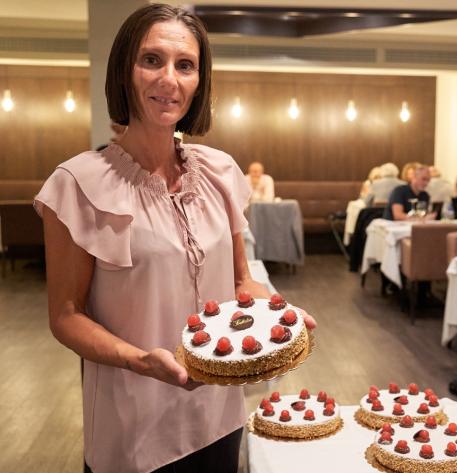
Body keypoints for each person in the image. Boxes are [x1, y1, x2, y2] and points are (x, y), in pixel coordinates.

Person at [33, 5, 316, 473]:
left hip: (219, 414)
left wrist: (277, 315)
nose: (169, 79)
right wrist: (140, 360)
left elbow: (241, 281)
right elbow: (66, 316)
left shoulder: (220, 172)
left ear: (199, 82)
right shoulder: (77, 184)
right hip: (134, 427)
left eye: (185, 65)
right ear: (124, 70)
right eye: (152, 60)